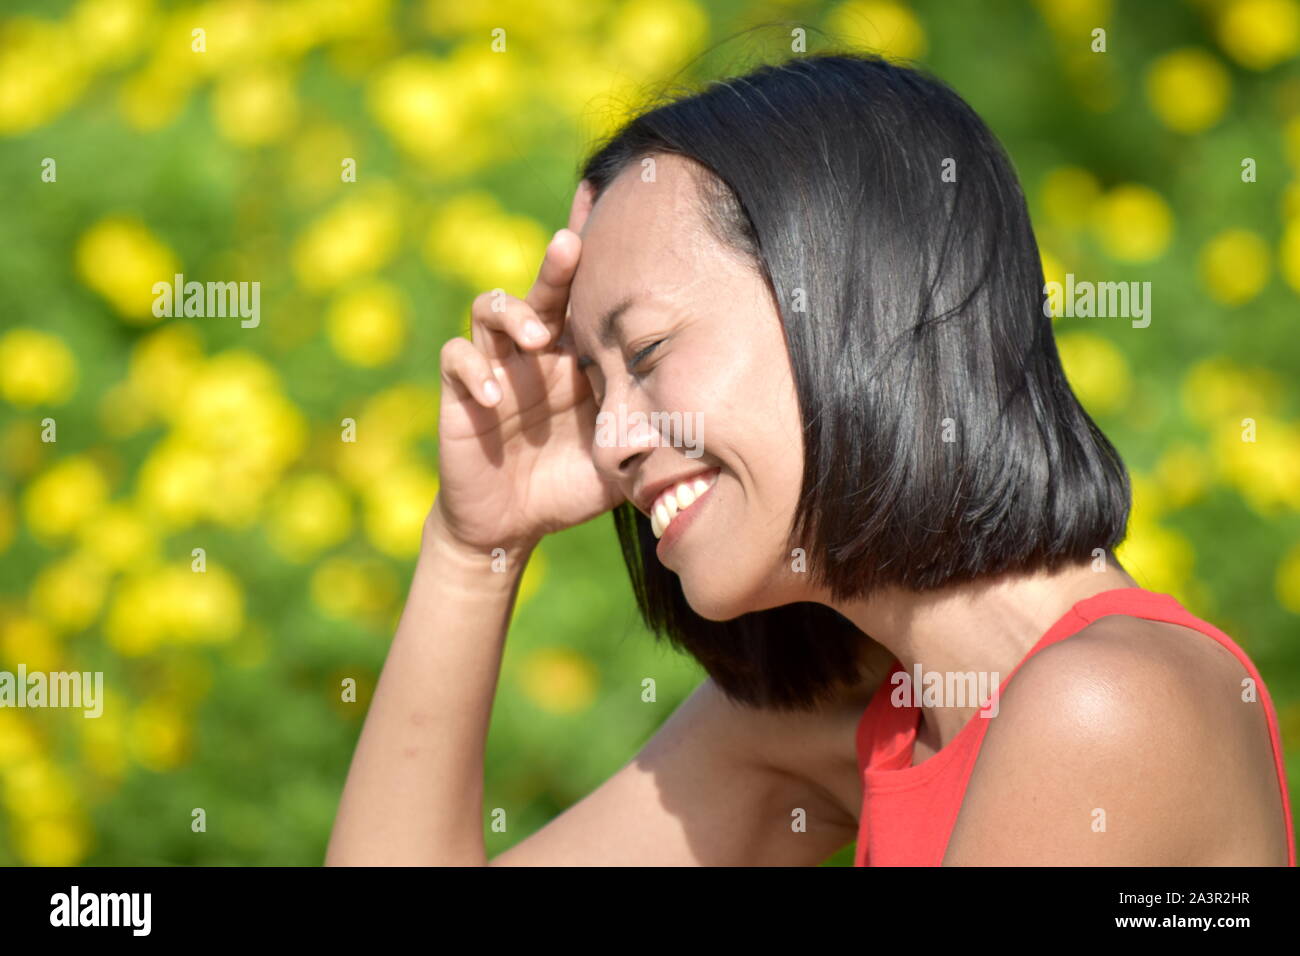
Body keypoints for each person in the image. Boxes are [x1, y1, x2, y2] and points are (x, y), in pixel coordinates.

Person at [325, 52, 1295, 866]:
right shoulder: (869, 718)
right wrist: (471, 547)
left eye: (649, 354)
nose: (612, 439)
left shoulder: (1105, 708)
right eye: (594, 383)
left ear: (848, 296)